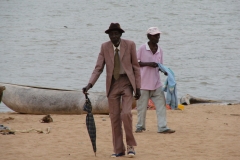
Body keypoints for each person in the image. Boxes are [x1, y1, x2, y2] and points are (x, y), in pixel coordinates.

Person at [82, 23, 141, 158]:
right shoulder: (105, 47)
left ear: (120, 34)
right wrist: (89, 85)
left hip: (127, 83)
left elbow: (136, 68)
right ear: (109, 35)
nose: (113, 36)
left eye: (116, 34)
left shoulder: (130, 45)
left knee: (126, 114)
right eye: (111, 34)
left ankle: (131, 146)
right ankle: (119, 149)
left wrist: (138, 87)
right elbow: (98, 68)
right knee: (114, 117)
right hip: (112, 85)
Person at [135, 27, 175, 134]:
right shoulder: (143, 48)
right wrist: (149, 64)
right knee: (141, 108)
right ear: (149, 36)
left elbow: (160, 65)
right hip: (143, 83)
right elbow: (136, 63)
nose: (157, 37)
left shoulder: (160, 50)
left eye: (158, 35)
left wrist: (165, 72)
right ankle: (140, 127)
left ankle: (162, 127)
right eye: (155, 35)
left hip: (156, 83)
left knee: (161, 105)